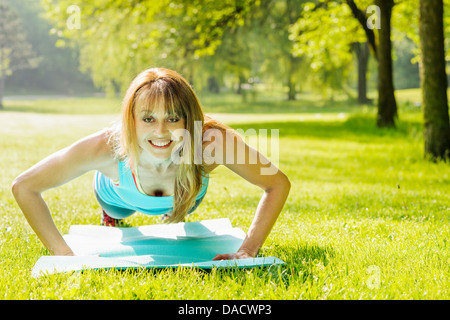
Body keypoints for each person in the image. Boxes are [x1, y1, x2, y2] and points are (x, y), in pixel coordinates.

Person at [11, 68, 291, 260]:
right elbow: (24, 187)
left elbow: (277, 184)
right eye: (148, 119)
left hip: (184, 195)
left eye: (173, 118)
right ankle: (113, 216)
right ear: (130, 120)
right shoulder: (105, 147)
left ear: (189, 119)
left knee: (180, 208)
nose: (160, 132)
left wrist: (248, 250)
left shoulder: (211, 143)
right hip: (117, 195)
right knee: (117, 209)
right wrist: (64, 254)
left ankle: (173, 213)